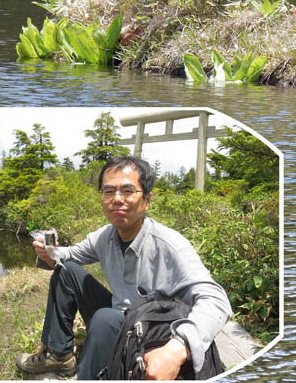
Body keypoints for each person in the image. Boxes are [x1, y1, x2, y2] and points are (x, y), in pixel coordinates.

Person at [16, 155, 232, 380]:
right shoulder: (105, 236)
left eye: (128, 191)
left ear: (147, 200)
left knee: (105, 319)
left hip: (151, 332)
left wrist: (178, 347)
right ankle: (59, 356)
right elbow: (69, 255)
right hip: (118, 316)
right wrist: (49, 252)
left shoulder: (170, 245)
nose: (116, 199)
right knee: (68, 272)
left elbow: (216, 300)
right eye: (109, 191)